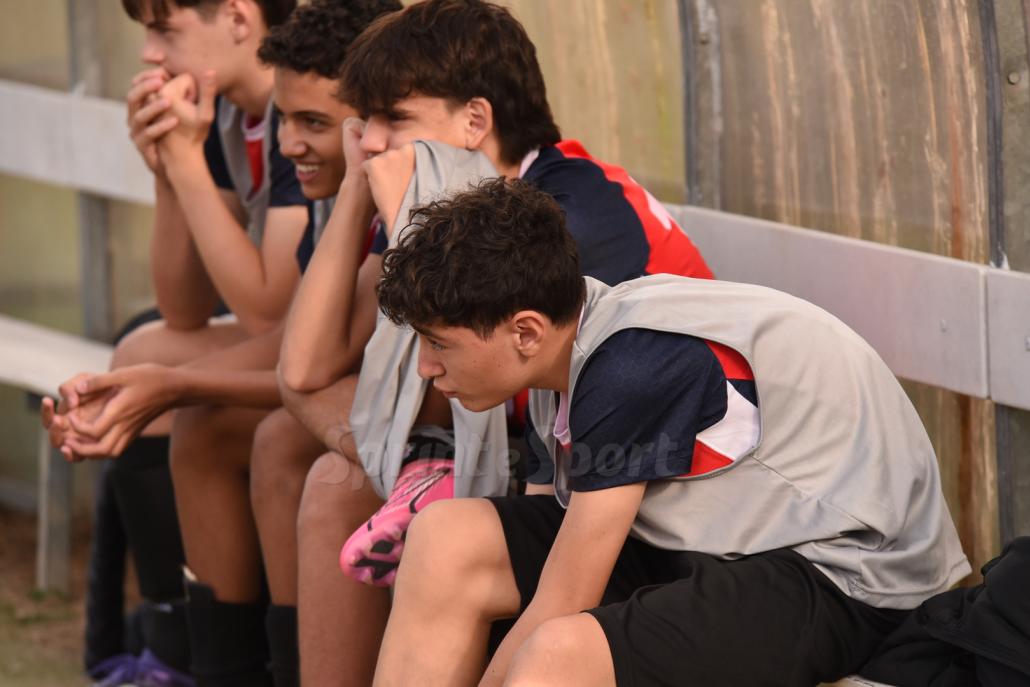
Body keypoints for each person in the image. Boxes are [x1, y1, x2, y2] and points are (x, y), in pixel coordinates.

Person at [370, 177, 972, 687]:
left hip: (847, 575)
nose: (426, 368)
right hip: (728, 543)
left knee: (557, 658)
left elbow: (563, 600)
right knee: (446, 540)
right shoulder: (563, 347)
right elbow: (543, 529)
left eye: (439, 344)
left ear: (525, 332)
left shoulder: (629, 366)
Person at [276, 0, 713, 683]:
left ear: (475, 121)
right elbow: (304, 371)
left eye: (394, 119)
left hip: (646, 490)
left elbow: (467, 387)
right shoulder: (455, 204)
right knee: (329, 475)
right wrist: (360, 194)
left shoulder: (564, 215)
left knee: (358, 486)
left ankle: (423, 479)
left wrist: (400, 217)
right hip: (537, 447)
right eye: (362, 122)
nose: (368, 141)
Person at [38, 0, 324, 683]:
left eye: (164, 29)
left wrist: (187, 165)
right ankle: (175, 639)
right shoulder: (226, 111)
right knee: (144, 351)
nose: (149, 54)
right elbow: (184, 305)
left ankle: (198, 653)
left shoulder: (300, 111)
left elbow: (267, 309)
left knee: (177, 392)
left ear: (238, 18)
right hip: (303, 338)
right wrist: (171, 173)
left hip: (334, 343)